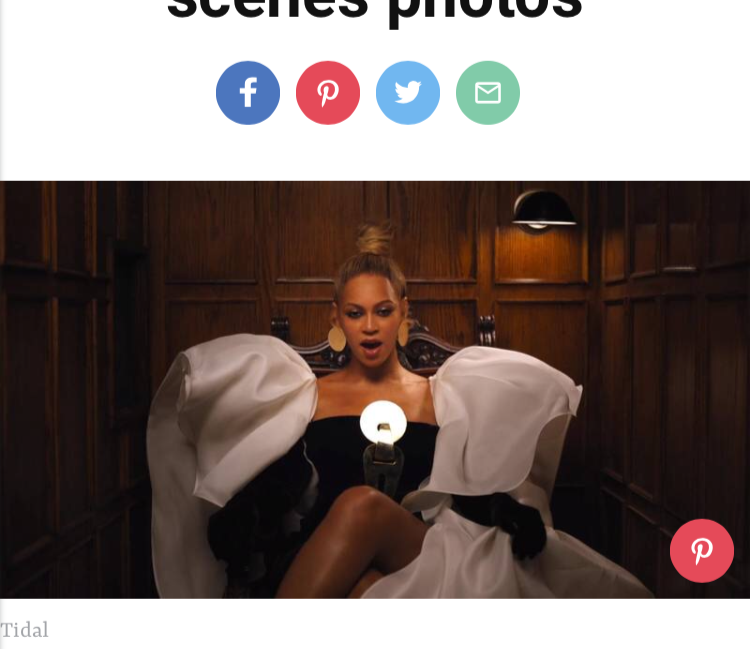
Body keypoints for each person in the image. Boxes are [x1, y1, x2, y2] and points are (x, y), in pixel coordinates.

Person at [147, 224, 651, 599]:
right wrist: (243, 512)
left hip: (416, 548)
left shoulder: (440, 394)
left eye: (383, 311)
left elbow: (461, 486)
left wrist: (506, 510)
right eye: (355, 313)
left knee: (363, 506)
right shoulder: (307, 394)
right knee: (364, 588)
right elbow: (278, 484)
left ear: (403, 312)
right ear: (337, 318)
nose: (369, 327)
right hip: (324, 553)